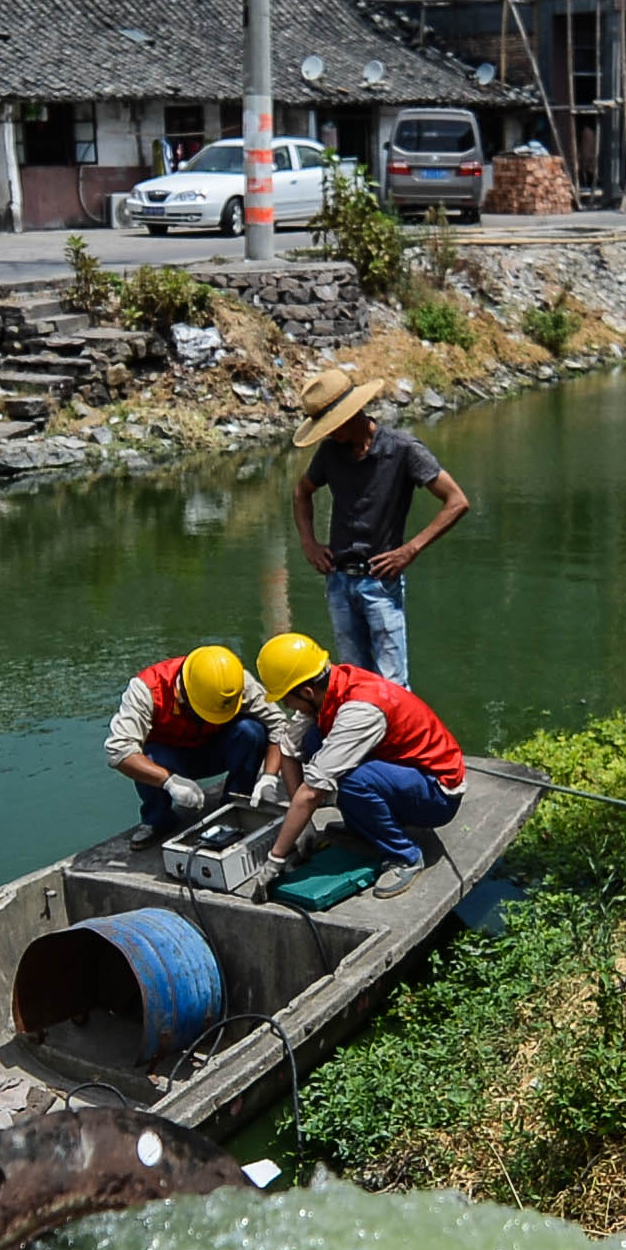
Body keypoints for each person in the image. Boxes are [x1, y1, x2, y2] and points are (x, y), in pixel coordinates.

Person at [248, 629, 464, 900]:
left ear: (305, 691)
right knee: (313, 740)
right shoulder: (329, 687)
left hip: (436, 792)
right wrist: (305, 826)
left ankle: (404, 856)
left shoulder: (360, 709)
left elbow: (312, 792)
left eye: (285, 698)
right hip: (400, 772)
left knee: (350, 782)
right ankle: (364, 824)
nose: (287, 704)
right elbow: (289, 748)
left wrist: (274, 860)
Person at [290, 366, 468, 682]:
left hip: (380, 582)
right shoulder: (330, 452)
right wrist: (309, 543)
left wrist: (410, 549)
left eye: (334, 425)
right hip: (339, 580)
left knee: (392, 683)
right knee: (354, 679)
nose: (331, 433)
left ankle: (399, 733)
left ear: (354, 412)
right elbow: (302, 492)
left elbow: (456, 501)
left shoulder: (402, 449)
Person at [104, 642, 269, 835]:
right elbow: (118, 751)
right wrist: (169, 781)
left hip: (216, 748)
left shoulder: (234, 683)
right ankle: (158, 821)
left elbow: (278, 725)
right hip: (169, 760)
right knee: (147, 757)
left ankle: (235, 806)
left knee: (252, 732)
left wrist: (270, 778)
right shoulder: (146, 689)